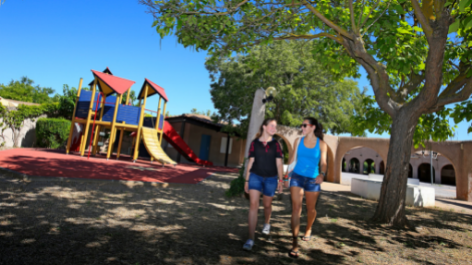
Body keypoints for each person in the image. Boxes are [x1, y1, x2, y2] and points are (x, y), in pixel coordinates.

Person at [284, 117, 327, 258]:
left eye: (304, 125)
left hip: (312, 179)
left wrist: (322, 174)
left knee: (311, 209)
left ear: (313, 127)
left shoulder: (322, 144)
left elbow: (324, 163)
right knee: (296, 208)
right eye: (301, 125)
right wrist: (286, 175)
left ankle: (308, 228)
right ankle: (295, 243)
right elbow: (292, 159)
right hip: (296, 176)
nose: (302, 128)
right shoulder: (298, 141)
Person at [242, 118, 284, 251]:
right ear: (264, 127)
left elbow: (279, 163)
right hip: (255, 176)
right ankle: (250, 238)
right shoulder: (254, 143)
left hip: (271, 178)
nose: (274, 128)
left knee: (267, 205)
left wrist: (281, 181)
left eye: (275, 127)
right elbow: (250, 162)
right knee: (254, 204)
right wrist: (247, 180)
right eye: (272, 126)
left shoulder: (276, 144)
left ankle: (267, 222)